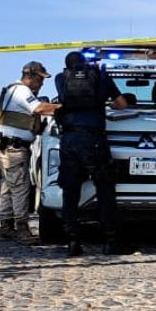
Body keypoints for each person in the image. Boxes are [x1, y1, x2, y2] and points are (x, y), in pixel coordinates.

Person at [51, 50, 128, 256]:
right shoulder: (102, 76)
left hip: (70, 141)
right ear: (86, 63)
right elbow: (122, 104)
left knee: (70, 191)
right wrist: (107, 104)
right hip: (95, 140)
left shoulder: (60, 78)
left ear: (67, 66)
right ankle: (111, 241)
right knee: (104, 190)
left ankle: (73, 242)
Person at [0, 60, 50, 241]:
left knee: (8, 186)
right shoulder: (21, 91)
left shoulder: (14, 89)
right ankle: (22, 229)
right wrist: (63, 107)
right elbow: (39, 108)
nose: (42, 84)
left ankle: (6, 226)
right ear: (30, 76)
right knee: (20, 187)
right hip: (14, 148)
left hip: (7, 146)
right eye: (40, 79)